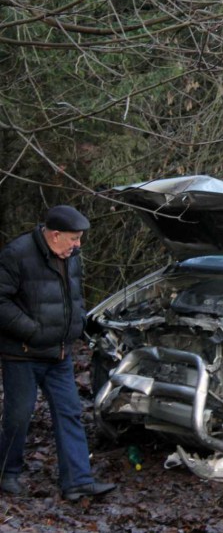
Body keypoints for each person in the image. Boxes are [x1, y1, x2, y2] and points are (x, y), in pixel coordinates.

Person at [0, 205, 116, 500]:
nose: (79, 245)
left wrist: (79, 324)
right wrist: (32, 330)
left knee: (70, 414)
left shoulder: (72, 256)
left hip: (60, 353)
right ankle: (7, 473)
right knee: (18, 416)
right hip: (22, 353)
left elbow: (72, 297)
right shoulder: (17, 253)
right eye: (74, 238)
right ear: (54, 235)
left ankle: (77, 481)